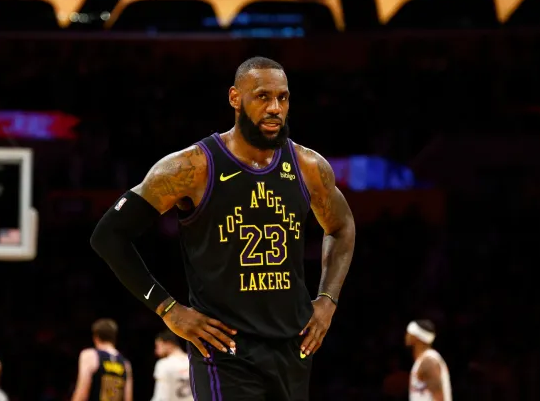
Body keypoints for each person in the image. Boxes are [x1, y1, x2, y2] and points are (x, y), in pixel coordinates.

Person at [91, 56, 356, 400]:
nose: (275, 108)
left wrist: (328, 300)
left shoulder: (307, 166)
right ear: (235, 98)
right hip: (225, 350)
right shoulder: (193, 167)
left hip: (293, 348)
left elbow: (342, 225)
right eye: (263, 97)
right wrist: (168, 309)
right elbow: (108, 235)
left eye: (283, 97)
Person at [71, 318, 133, 401]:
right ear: (114, 337)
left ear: (96, 336)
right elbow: (128, 398)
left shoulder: (89, 355)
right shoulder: (126, 364)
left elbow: (82, 391)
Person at [406, 320, 453, 401]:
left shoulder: (428, 361)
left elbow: (439, 397)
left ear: (417, 337)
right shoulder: (423, 360)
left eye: (409, 332)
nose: (406, 335)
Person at [151, 329, 192, 401]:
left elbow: (161, 396)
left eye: (158, 346)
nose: (156, 351)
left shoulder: (163, 364)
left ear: (168, 344)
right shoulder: (191, 361)